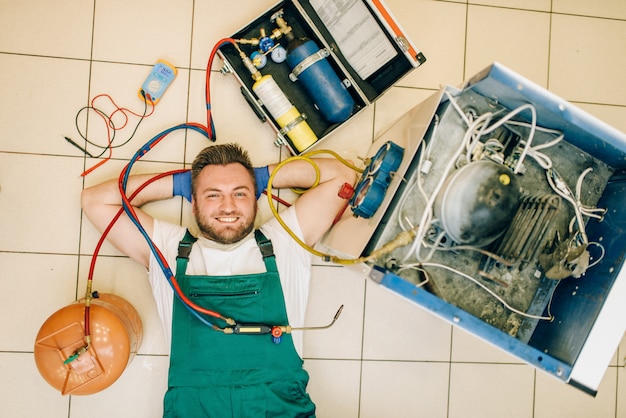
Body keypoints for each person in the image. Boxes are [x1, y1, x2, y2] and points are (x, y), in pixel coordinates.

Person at [81, 142, 356, 417]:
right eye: (213, 195)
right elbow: (95, 200)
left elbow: (342, 176)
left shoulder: (285, 239)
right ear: (193, 202)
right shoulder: (168, 247)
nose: (228, 207)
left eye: (240, 193)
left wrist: (262, 176)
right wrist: (180, 184)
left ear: (256, 197)